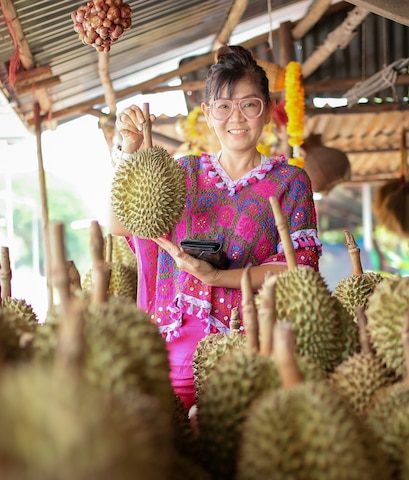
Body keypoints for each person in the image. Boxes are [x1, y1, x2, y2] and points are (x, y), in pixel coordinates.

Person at [109, 45, 322, 410]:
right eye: (223, 106)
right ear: (207, 113)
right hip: (170, 349)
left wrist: (216, 277)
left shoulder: (291, 180)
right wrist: (127, 153)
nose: (236, 118)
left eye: (249, 104)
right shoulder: (183, 173)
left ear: (268, 109)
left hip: (247, 351)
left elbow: (299, 268)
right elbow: (122, 225)